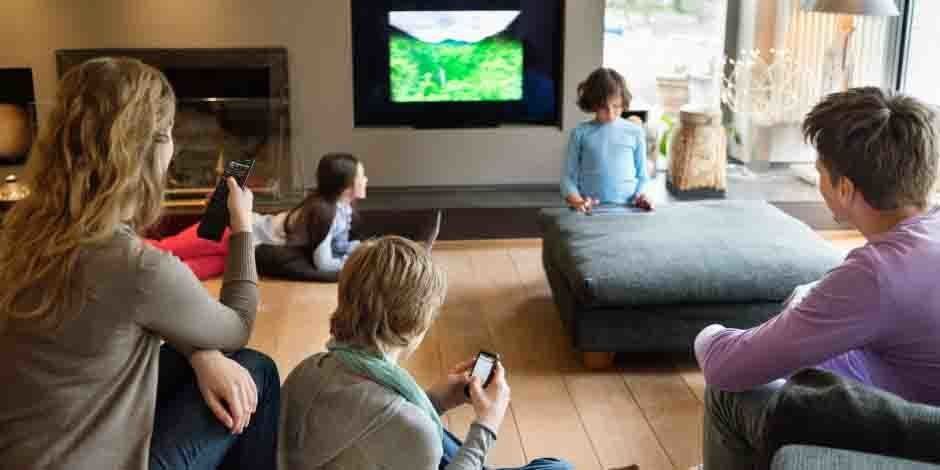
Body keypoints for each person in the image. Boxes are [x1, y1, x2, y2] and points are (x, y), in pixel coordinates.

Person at [0, 57, 279, 470]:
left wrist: (202, 354)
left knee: (215, 365)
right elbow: (236, 327)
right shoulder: (137, 267)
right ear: (148, 150)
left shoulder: (18, 231)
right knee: (255, 370)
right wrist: (241, 230)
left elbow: (135, 310)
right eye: (168, 133)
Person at [693, 87, 940, 470]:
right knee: (800, 298)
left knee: (727, 389)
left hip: (914, 433)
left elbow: (726, 364)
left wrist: (705, 334)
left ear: (845, 188)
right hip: (920, 396)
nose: (819, 180)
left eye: (820, 171)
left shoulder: (877, 272)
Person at [279, 236, 572, 470]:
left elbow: (365, 427)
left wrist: (435, 400)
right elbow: (395, 427)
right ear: (415, 324)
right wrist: (487, 425)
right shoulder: (415, 430)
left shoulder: (306, 371)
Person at [152, 153, 443, 280]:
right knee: (164, 249)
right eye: (362, 176)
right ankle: (114, 246)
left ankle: (140, 274)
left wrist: (366, 251)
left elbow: (336, 248)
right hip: (234, 229)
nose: (366, 180)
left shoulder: (340, 209)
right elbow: (323, 261)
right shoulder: (324, 211)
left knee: (183, 271)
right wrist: (355, 263)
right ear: (346, 185)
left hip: (245, 248)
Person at [561, 67, 652, 213]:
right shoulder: (580, 133)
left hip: (630, 209)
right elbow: (568, 178)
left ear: (623, 101)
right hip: (590, 209)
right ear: (592, 104)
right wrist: (577, 201)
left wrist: (642, 196)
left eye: (616, 106)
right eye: (603, 107)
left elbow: (643, 176)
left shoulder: (635, 132)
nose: (610, 113)